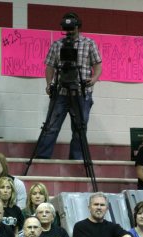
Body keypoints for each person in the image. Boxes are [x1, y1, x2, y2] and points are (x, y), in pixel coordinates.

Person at [35, 11, 102, 160]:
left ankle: (76, 160)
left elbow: (98, 65)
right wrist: (49, 84)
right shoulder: (57, 45)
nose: (69, 32)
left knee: (79, 129)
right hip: (61, 92)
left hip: (81, 92)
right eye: (67, 30)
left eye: (72, 29)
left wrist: (94, 78)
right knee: (51, 126)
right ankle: (42, 158)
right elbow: (50, 66)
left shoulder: (89, 43)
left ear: (78, 27)